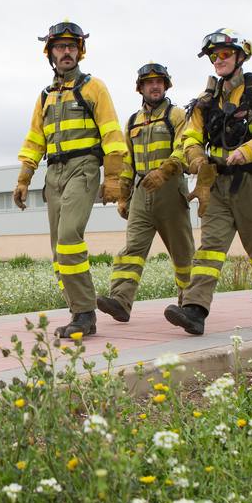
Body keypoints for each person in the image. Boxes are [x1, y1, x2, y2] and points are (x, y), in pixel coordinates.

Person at [164, 29, 252, 335]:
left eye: (224, 54)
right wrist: (196, 160)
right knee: (209, 250)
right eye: (214, 56)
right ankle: (194, 310)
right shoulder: (207, 101)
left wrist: (247, 151)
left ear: (240, 56)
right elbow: (190, 138)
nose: (219, 60)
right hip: (216, 184)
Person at [15, 21, 125, 338]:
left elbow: (112, 134)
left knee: (68, 239)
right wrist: (24, 178)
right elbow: (35, 140)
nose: (66, 52)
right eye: (60, 47)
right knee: (57, 251)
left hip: (84, 167)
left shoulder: (94, 88)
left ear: (80, 51)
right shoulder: (45, 96)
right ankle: (78, 311)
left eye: (71, 46)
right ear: (50, 53)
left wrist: (114, 178)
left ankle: (86, 313)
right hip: (54, 174)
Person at [96, 63, 194, 323]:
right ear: (140, 88)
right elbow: (128, 162)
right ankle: (120, 301)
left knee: (182, 252)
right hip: (141, 192)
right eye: (149, 82)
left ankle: (190, 304)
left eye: (159, 82)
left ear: (166, 86)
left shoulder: (177, 115)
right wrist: (123, 196)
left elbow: (183, 147)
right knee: (132, 249)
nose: (155, 86)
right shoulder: (132, 121)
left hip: (171, 189)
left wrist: (165, 171)